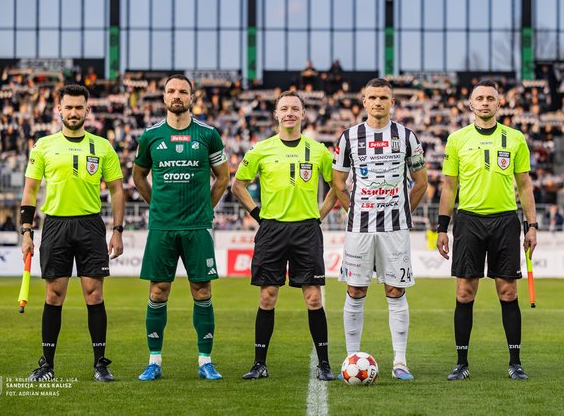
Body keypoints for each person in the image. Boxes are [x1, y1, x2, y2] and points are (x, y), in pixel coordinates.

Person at [21, 84, 125, 382]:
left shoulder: (102, 146)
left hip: (90, 224)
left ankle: (100, 364)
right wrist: (26, 231)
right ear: (59, 110)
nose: (74, 112)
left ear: (87, 111)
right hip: (55, 225)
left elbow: (117, 190)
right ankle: (47, 365)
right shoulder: (43, 146)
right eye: (69, 107)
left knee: (94, 294)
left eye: (79, 107)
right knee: (54, 295)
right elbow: (30, 190)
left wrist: (117, 230)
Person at [232, 90, 337, 381]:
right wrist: (258, 216)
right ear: (276, 114)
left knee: (313, 298)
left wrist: (319, 215)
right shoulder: (260, 150)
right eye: (284, 108)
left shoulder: (319, 150)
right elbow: (238, 186)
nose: (289, 113)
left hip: (307, 230)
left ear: (303, 114)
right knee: (267, 297)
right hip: (272, 230)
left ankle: (324, 364)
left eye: (295, 108)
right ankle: (259, 364)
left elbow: (337, 187)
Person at [437, 79, 538, 381]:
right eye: (479, 98)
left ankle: (515, 362)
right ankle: (461, 363)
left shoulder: (515, 138)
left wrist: (532, 226)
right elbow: (449, 186)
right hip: (469, 221)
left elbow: (525, 185)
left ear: (499, 103)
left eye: (490, 98)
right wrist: (442, 228)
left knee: (508, 292)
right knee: (464, 291)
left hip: (505, 221)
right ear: (470, 104)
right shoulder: (457, 139)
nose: (484, 102)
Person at [133, 74, 230, 381]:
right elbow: (138, 176)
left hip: (197, 227)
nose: (177, 95)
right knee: (158, 291)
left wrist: (206, 208)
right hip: (162, 227)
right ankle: (154, 361)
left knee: (202, 291)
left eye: (183, 91)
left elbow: (223, 177)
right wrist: (156, 205)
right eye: (171, 91)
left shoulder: (208, 134)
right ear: (164, 97)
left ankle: (205, 361)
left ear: (192, 97)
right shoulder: (150, 136)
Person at [332, 78, 428, 380]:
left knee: (395, 290)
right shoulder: (349, 137)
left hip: (395, 229)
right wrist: (354, 211)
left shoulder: (407, 136)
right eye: (372, 97)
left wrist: (403, 212)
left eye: (383, 98)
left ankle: (400, 362)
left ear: (392, 102)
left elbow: (421, 182)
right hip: (359, 229)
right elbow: (338, 183)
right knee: (355, 290)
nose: (377, 102)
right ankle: (351, 359)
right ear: (364, 101)